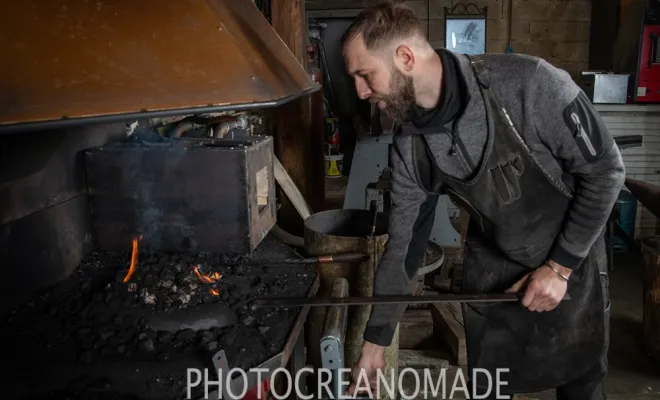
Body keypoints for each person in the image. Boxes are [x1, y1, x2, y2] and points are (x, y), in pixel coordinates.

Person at [340, 2, 625, 399]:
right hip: (496, 272)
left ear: (405, 57)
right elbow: (404, 249)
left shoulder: (531, 84)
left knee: (581, 385)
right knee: (489, 387)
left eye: (364, 74)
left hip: (571, 262)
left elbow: (606, 170)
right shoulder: (410, 148)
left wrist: (559, 268)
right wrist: (374, 344)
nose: (361, 92)